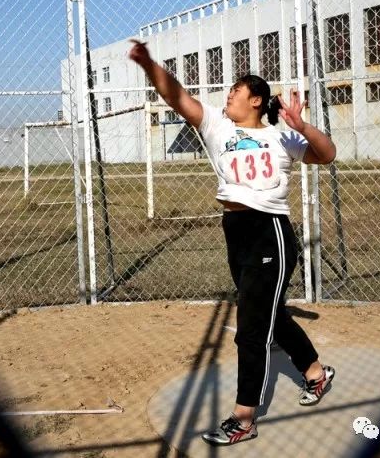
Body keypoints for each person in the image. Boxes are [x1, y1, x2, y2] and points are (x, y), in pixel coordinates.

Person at [129, 39, 337, 446]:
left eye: (236, 91)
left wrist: (302, 127)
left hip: (270, 232)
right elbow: (176, 96)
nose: (228, 96)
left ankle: (244, 417)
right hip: (236, 232)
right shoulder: (216, 126)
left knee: (251, 327)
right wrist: (148, 64)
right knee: (270, 314)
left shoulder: (281, 138)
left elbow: (327, 154)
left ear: (257, 100)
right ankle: (315, 372)